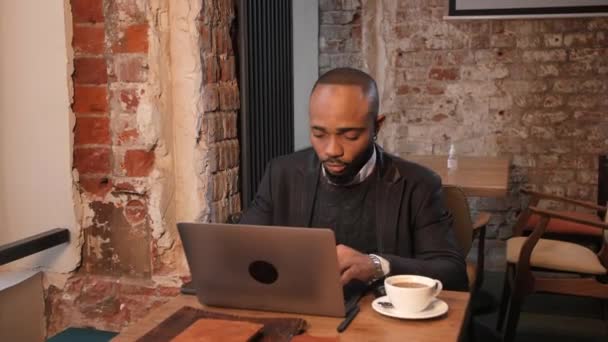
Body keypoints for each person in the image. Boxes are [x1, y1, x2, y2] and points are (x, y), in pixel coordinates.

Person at [240, 67, 468, 291]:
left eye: (350, 136)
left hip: (383, 320)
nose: (331, 150)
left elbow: (452, 274)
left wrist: (378, 266)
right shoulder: (281, 173)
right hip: (304, 312)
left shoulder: (418, 184)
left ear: (376, 126)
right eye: (319, 134)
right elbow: (242, 248)